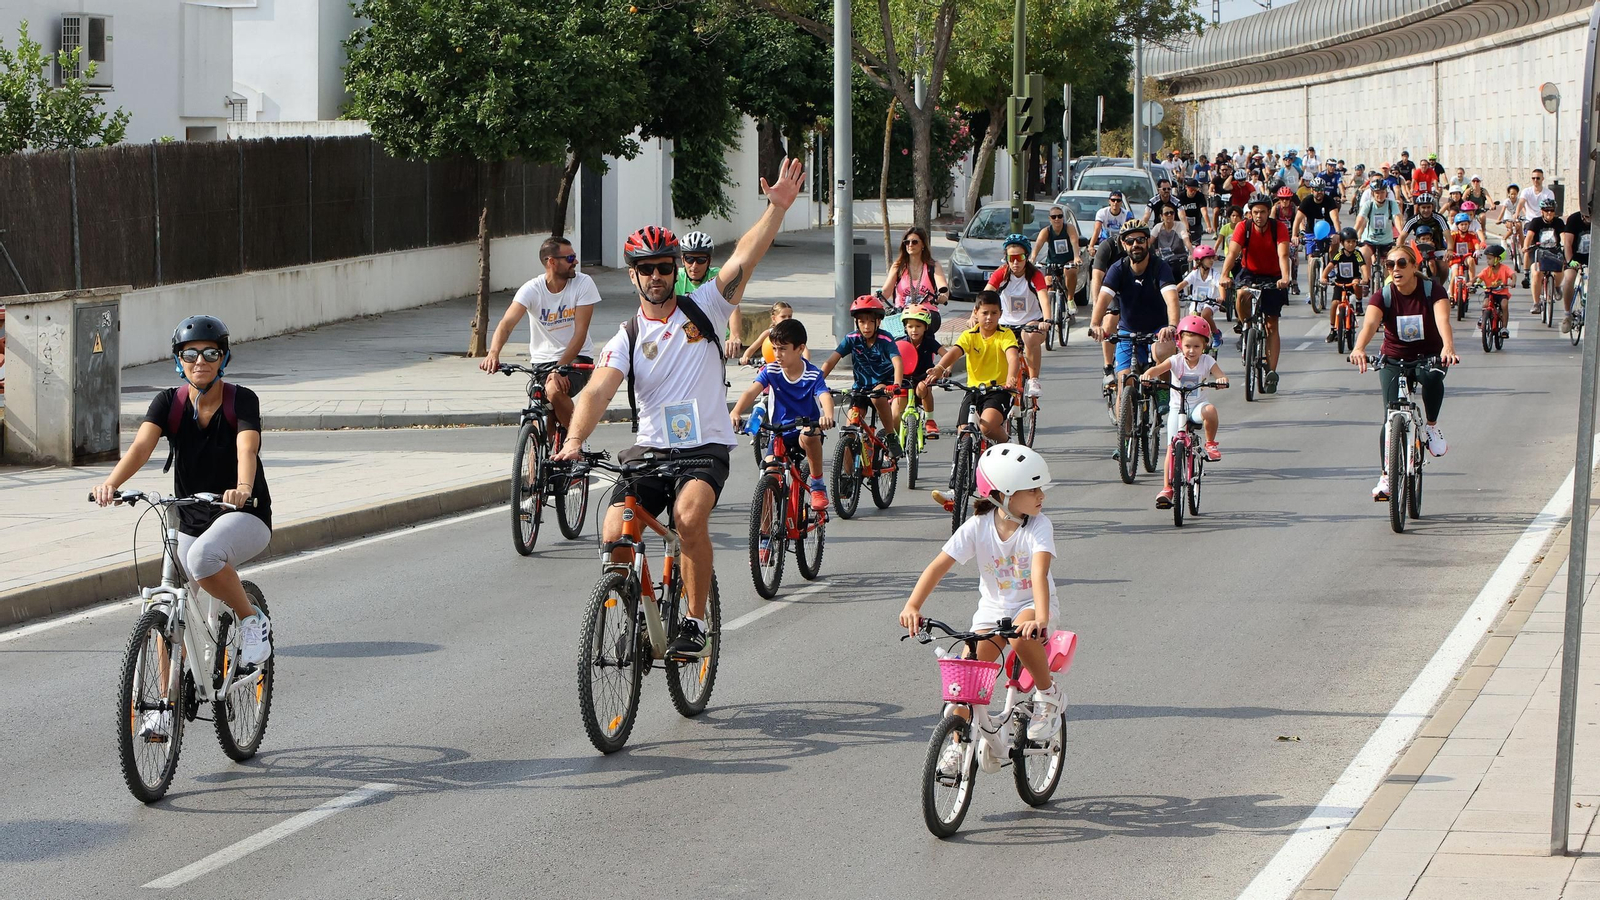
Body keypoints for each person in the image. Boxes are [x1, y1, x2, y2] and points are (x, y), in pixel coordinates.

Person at [555, 158, 807, 658]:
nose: (655, 276)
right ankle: (636, 609)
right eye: (645, 269)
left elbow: (745, 257)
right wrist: (574, 441)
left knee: (689, 519)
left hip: (704, 448)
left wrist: (775, 210)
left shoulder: (706, 308)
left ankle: (693, 620)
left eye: (663, 268)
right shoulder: (626, 337)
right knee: (614, 530)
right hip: (650, 451)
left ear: (675, 271)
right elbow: (597, 393)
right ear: (633, 276)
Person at [93, 315, 275, 739]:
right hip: (190, 514)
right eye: (190, 355)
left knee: (202, 558)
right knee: (167, 607)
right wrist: (112, 484)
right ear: (179, 361)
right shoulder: (168, 402)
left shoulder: (241, 400)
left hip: (243, 514)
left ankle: (251, 621)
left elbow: (247, 445)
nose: (200, 361)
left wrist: (243, 487)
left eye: (211, 353)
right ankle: (163, 705)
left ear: (223, 358)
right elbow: (141, 446)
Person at [899, 444, 1062, 766]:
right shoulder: (978, 526)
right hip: (992, 610)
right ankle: (957, 747)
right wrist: (912, 606)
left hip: (1032, 604)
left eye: (1041, 487)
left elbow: (1039, 574)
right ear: (1003, 495)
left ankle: (1048, 694)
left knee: (1020, 635)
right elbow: (937, 567)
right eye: (1033, 489)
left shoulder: (1039, 525)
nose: (1041, 494)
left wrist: (1041, 619)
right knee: (964, 681)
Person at [1348, 244, 1459, 501]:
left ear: (1414, 267)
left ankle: (1431, 426)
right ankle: (1387, 476)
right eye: (1390, 265)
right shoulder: (1383, 295)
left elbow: (1443, 321)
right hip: (1394, 357)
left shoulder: (1433, 291)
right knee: (1389, 418)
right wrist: (1359, 348)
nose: (1395, 269)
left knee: (1432, 378)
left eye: (1401, 264)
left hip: (1429, 355)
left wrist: (1448, 348)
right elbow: (1370, 324)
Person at [480, 236, 599, 431]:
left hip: (576, 358)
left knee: (553, 390)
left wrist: (559, 368)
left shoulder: (583, 284)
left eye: (574, 257)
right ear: (551, 262)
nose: (575, 262)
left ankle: (576, 442)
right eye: (570, 258)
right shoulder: (532, 289)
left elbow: (580, 334)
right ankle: (536, 459)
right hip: (541, 361)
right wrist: (493, 352)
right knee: (540, 417)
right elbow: (506, 324)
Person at [730, 317, 835, 511]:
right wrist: (736, 411)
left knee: (809, 434)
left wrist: (827, 415)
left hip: (805, 431)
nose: (777, 354)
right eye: (775, 348)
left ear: (800, 348)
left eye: (783, 349)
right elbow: (750, 392)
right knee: (768, 475)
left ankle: (818, 485)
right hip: (780, 433)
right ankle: (764, 534)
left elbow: (825, 396)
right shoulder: (771, 371)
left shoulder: (812, 374)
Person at [1141, 315, 1229, 508]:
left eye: (1196, 346)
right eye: (1187, 346)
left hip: (1197, 407)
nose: (1191, 350)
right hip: (1176, 409)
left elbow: (1220, 375)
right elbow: (1158, 369)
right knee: (1171, 448)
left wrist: (1221, 380)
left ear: (1204, 346)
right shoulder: (1175, 360)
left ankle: (1211, 444)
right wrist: (1148, 374)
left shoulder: (1207, 361)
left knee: (1211, 410)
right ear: (1179, 343)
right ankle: (1167, 489)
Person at [1093, 223, 1181, 415]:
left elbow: (1171, 298)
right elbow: (1104, 297)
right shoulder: (1118, 268)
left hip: (1158, 330)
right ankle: (1124, 442)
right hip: (1127, 331)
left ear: (1148, 241)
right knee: (1124, 383)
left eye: (1140, 240)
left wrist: (1172, 326)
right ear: (1124, 245)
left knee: (1164, 349)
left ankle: (1163, 391)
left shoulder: (1160, 267)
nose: (1136, 245)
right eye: (1130, 241)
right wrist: (1094, 324)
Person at [925, 290, 1021, 457]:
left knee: (987, 426)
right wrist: (939, 368)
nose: (989, 317)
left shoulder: (1005, 335)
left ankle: (1009, 443)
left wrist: (1011, 378)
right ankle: (960, 470)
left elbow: (1013, 358)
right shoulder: (969, 335)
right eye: (985, 313)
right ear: (976, 313)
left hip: (998, 391)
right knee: (963, 432)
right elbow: (954, 352)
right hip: (974, 390)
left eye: (994, 313)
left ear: (1001, 314)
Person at [1218, 193, 1292, 393]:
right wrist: (1224, 275)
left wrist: (1285, 278)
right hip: (1249, 273)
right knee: (1241, 294)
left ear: (1269, 212)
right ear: (1250, 213)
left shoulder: (1279, 228)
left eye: (1262, 212)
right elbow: (1232, 253)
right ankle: (1245, 326)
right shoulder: (1244, 226)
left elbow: (1283, 254)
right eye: (1255, 212)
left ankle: (1271, 373)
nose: (1258, 216)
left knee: (1271, 324)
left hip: (1274, 276)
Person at [820, 295, 904, 455]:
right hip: (860, 389)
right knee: (848, 433)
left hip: (882, 386)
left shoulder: (885, 338)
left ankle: (891, 435)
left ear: (878, 322)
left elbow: (897, 362)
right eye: (862, 321)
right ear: (856, 322)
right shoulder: (852, 339)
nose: (866, 326)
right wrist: (816, 382)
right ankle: (846, 476)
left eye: (871, 321)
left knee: (876, 396)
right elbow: (831, 361)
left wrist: (896, 384)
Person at [987, 234, 1051, 398]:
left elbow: (1043, 297)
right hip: (1005, 324)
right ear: (1006, 258)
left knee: (1028, 336)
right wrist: (975, 315)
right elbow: (986, 295)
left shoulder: (1034, 275)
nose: (1015, 263)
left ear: (1027, 257)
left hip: (1032, 322)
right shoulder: (1001, 273)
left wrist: (1047, 319)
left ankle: (1034, 379)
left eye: (1020, 257)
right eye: (1011, 258)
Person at [676, 230, 745, 358]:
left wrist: (734, 336)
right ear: (682, 260)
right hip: (685, 341)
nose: (694, 266)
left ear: (709, 261)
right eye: (689, 259)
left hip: (715, 339)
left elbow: (733, 307)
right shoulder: (675, 277)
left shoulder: (719, 277)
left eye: (701, 260)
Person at [881, 226, 950, 323]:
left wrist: (943, 296)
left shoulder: (933, 266)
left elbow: (943, 288)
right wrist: (874, 298)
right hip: (902, 315)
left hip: (926, 315)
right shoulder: (898, 266)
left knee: (925, 329)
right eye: (907, 242)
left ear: (923, 245)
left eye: (914, 242)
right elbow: (885, 292)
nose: (910, 245)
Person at [894, 305, 943, 436]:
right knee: (895, 413)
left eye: (918, 326)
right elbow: (890, 359)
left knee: (923, 388)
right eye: (910, 326)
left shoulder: (929, 342)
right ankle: (896, 440)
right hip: (904, 380)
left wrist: (945, 368)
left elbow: (946, 354)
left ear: (926, 327)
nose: (914, 330)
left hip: (923, 377)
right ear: (905, 327)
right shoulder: (900, 343)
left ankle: (930, 420)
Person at [1322, 227, 1371, 342]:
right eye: (1348, 242)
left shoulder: (1357, 254)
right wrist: (1323, 277)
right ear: (1342, 243)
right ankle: (1333, 330)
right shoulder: (1339, 254)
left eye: (1354, 241)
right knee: (1334, 304)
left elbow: (1363, 266)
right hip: (1340, 281)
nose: (1351, 244)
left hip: (1353, 279)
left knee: (1356, 284)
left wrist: (1365, 278)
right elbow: (1330, 265)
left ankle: (1358, 303)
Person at [1031, 205, 1082, 313]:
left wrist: (1076, 257)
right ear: (1050, 219)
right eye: (1054, 217)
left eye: (1059, 216)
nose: (1057, 219)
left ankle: (1070, 299)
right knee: (1048, 282)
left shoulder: (1069, 228)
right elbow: (1038, 245)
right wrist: (1033, 258)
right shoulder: (1046, 231)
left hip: (1068, 260)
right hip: (1053, 262)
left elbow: (1074, 242)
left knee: (1071, 271)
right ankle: (1048, 311)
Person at [1524, 198, 1565, 317]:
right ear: (1541, 211)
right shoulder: (1536, 222)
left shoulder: (1559, 222)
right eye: (1546, 210)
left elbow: (1563, 235)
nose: (1549, 213)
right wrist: (1526, 246)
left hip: (1554, 251)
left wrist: (1564, 243)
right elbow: (1529, 236)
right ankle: (1536, 303)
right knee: (1537, 273)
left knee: (1560, 267)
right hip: (1539, 251)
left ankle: (1557, 287)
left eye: (1551, 210)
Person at [1356, 178, 1402, 281]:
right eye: (1377, 192)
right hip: (1370, 240)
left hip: (1387, 241)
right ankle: (1366, 279)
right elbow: (1361, 219)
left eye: (1382, 192)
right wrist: (1354, 232)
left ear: (1386, 193)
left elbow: (1397, 218)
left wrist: (1401, 234)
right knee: (1363, 254)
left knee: (1390, 261)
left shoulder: (1391, 204)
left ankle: (1388, 285)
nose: (1379, 195)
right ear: (1372, 193)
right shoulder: (1369, 205)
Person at [1399, 193, 1451, 282]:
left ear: (1432, 207)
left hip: (1437, 249)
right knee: (1413, 266)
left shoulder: (1439, 218)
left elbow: (1448, 235)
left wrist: (1450, 250)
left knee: (1444, 267)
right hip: (1418, 249)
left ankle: (1438, 287)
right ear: (1418, 208)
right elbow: (1402, 237)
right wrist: (1400, 251)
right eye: (1423, 207)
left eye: (1428, 207)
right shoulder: (1413, 220)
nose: (1426, 210)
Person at [1182, 244, 1225, 347]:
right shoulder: (1194, 273)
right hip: (1197, 301)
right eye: (1208, 258)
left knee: (1205, 314)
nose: (1211, 260)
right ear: (1200, 260)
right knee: (1193, 318)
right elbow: (1183, 283)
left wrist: (1222, 297)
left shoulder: (1214, 274)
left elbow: (1220, 285)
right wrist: (1173, 292)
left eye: (1212, 258)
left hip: (1211, 302)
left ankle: (1216, 334)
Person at [739, 301, 803, 366]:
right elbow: (752, 348)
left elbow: (804, 348)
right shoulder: (768, 333)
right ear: (774, 318)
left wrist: (806, 363)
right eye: (783, 316)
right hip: (769, 365)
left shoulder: (793, 333)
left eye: (789, 316)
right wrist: (745, 357)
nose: (787, 319)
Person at [1562, 207, 1592, 333]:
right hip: (1575, 257)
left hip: (1592, 258)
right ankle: (1567, 315)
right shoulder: (1574, 219)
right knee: (1569, 278)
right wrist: (1570, 261)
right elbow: (1568, 244)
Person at [1476, 245, 1515, 340]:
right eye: (1487, 259)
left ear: (1498, 259)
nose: (1487, 261)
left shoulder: (1504, 268)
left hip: (1502, 293)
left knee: (1504, 305)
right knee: (1485, 304)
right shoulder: (1487, 270)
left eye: (1489, 259)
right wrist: (1474, 283)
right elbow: (1479, 277)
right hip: (1490, 292)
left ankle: (1504, 328)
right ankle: (1483, 318)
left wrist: (1513, 282)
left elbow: (1513, 275)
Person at [1444, 213, 1485, 295]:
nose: (1464, 226)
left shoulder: (1471, 235)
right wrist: (1449, 251)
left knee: (1471, 260)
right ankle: (1451, 295)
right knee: (1454, 275)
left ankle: (1471, 282)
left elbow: (1476, 242)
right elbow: (1448, 244)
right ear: (1457, 225)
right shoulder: (1454, 235)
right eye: (1461, 224)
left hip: (1466, 256)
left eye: (1466, 224)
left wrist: (1477, 250)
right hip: (1455, 258)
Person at [1178, 179, 1206, 247]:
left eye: (1195, 190)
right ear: (1186, 187)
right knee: (1181, 245)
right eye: (1191, 190)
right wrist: (1186, 228)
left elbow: (1204, 211)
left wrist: (1209, 226)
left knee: (1196, 245)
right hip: (1183, 222)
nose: (1193, 192)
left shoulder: (1200, 196)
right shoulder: (1181, 196)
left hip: (1196, 223)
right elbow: (1181, 214)